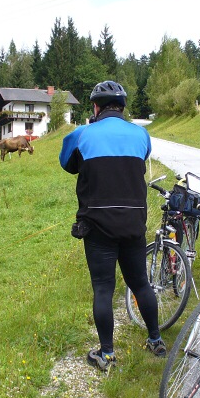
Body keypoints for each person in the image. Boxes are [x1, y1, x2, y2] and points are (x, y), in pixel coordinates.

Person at [59, 80, 166, 372]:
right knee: (140, 283)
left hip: (98, 225)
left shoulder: (83, 134)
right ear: (122, 107)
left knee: (103, 288)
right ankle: (155, 339)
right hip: (133, 224)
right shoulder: (141, 134)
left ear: (95, 107)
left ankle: (107, 354)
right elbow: (140, 159)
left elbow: (66, 163)